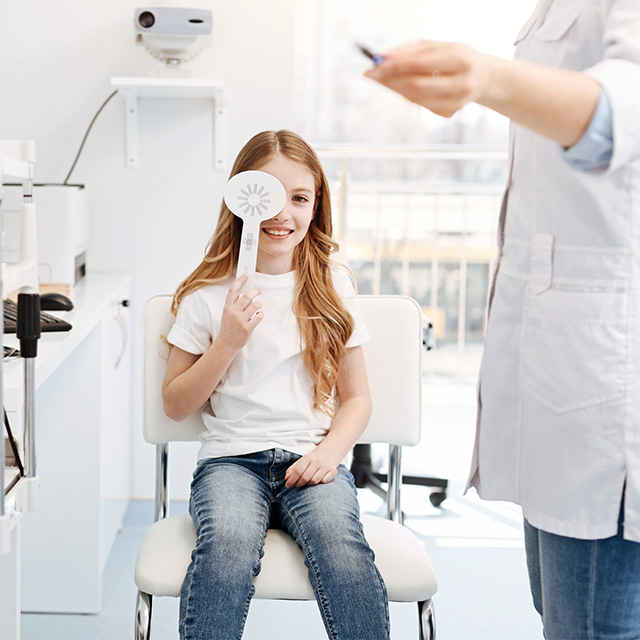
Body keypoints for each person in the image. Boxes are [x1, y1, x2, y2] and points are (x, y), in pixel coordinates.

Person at [363, 2, 640, 638]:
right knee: (561, 614)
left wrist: (484, 78)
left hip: (606, 395)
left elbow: (619, 114)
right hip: (562, 386)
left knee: (589, 623)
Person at [162, 129, 390, 640]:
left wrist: (329, 454)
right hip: (230, 461)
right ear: (240, 197)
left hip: (311, 459)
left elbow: (357, 398)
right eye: (268, 195)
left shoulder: (332, 289)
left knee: (343, 552)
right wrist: (227, 342)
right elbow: (176, 404)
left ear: (317, 206)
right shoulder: (206, 296)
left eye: (299, 198)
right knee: (225, 548)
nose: (282, 213)